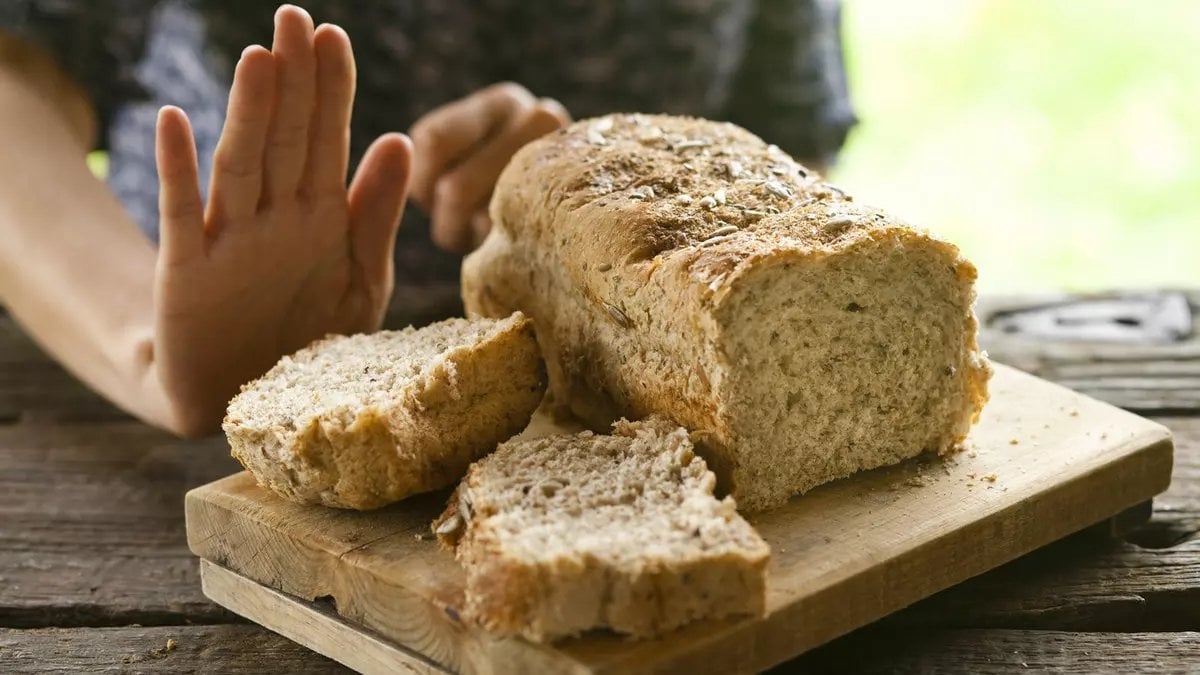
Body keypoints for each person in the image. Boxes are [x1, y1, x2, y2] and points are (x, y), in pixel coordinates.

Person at [0, 1, 855, 436]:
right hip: (153, 396)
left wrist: (600, 188)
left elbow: (785, 155)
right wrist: (142, 341)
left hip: (615, 411)